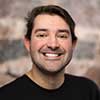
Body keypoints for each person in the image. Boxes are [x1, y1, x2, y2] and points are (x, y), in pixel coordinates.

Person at [0, 5, 100, 100]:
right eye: (42, 35)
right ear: (28, 43)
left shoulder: (88, 91)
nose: (53, 44)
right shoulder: (5, 96)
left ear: (73, 44)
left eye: (62, 36)